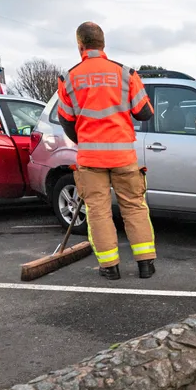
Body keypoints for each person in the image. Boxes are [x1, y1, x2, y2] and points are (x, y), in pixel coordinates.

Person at [56, 22, 156, 280]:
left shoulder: (68, 78)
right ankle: (146, 264)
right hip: (123, 157)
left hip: (91, 159)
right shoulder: (126, 74)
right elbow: (145, 113)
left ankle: (110, 268)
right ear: (103, 44)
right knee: (134, 207)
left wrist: (84, 140)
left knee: (98, 213)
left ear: (80, 46)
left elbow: (66, 120)